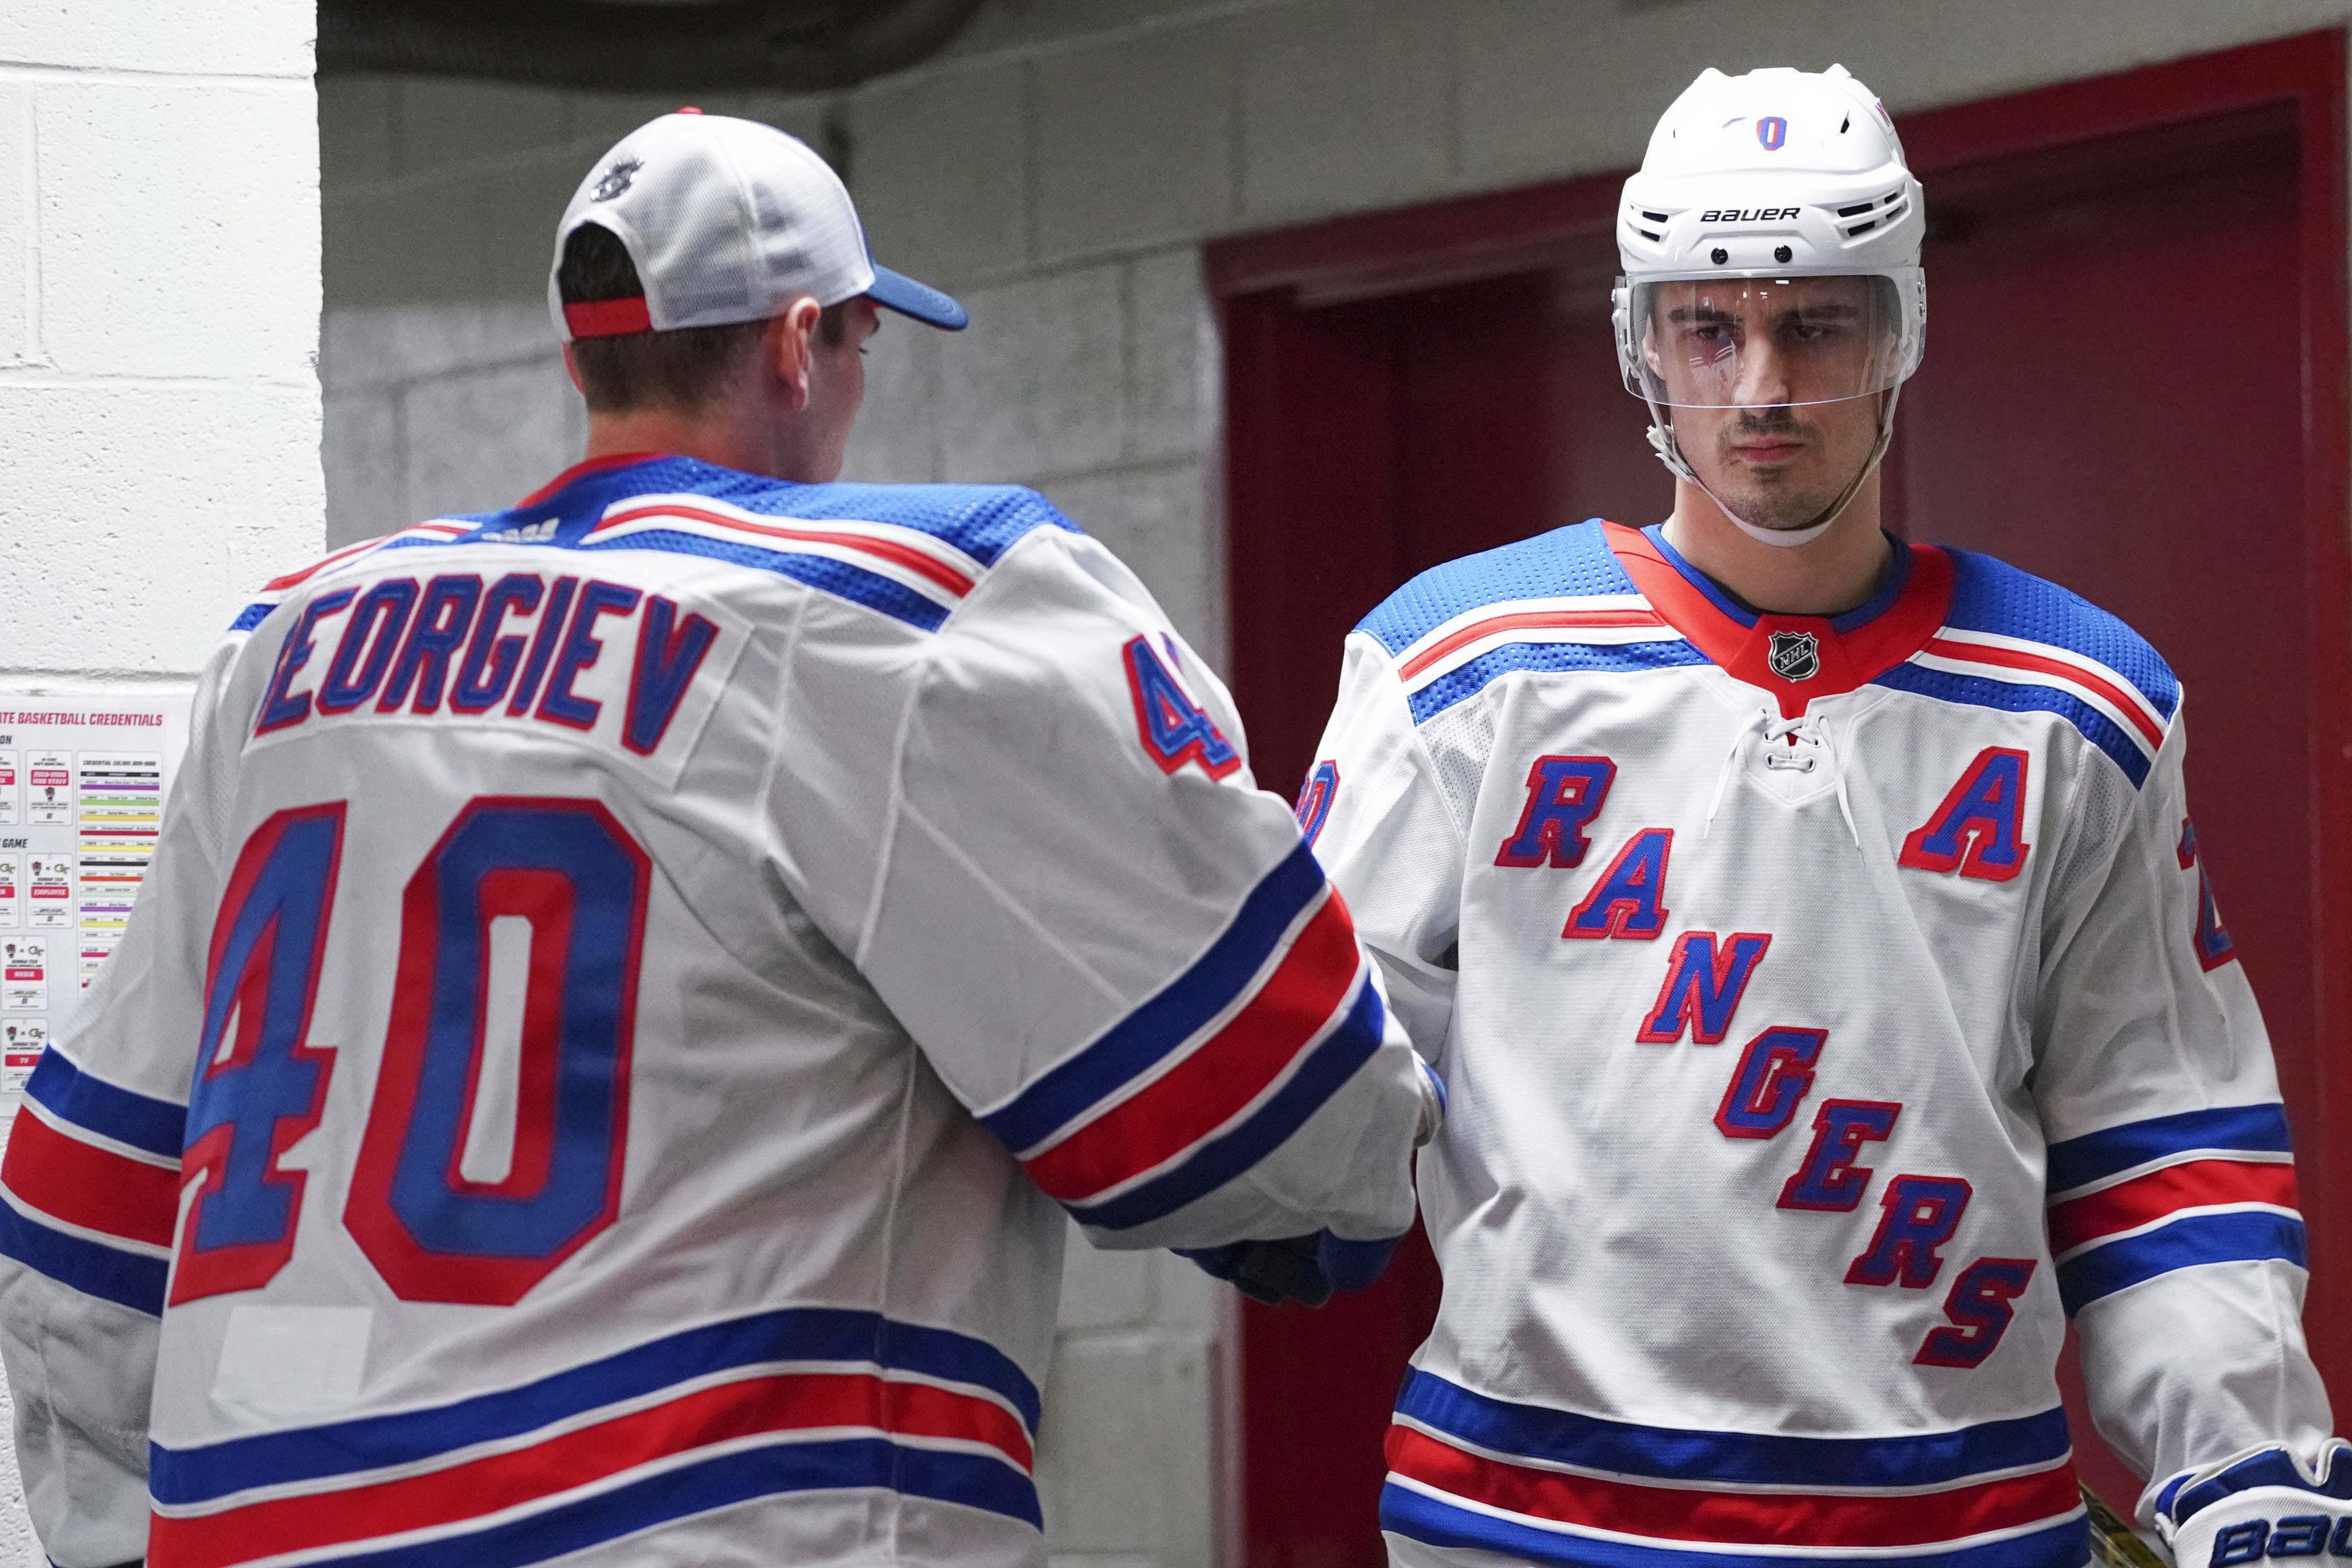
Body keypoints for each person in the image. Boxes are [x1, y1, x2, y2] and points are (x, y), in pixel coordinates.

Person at [0, 112, 1439, 1568]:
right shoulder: (904, 609)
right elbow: (1272, 1102)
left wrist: (128, 1527)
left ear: (582, 360)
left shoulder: (285, 650)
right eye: (863, 347)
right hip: (719, 1526)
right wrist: (1363, 1164)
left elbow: (85, 1188)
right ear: (801, 346)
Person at [1296, 65, 2345, 1568]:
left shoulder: (2080, 699)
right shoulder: (1459, 669)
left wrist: (2246, 1453)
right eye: (1708, 329)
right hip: (1528, 1524)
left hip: (1959, 1528)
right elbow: (1308, 1073)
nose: (1763, 387)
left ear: (1903, 329)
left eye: (1816, 324)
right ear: (1641, 343)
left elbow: (2159, 1121)